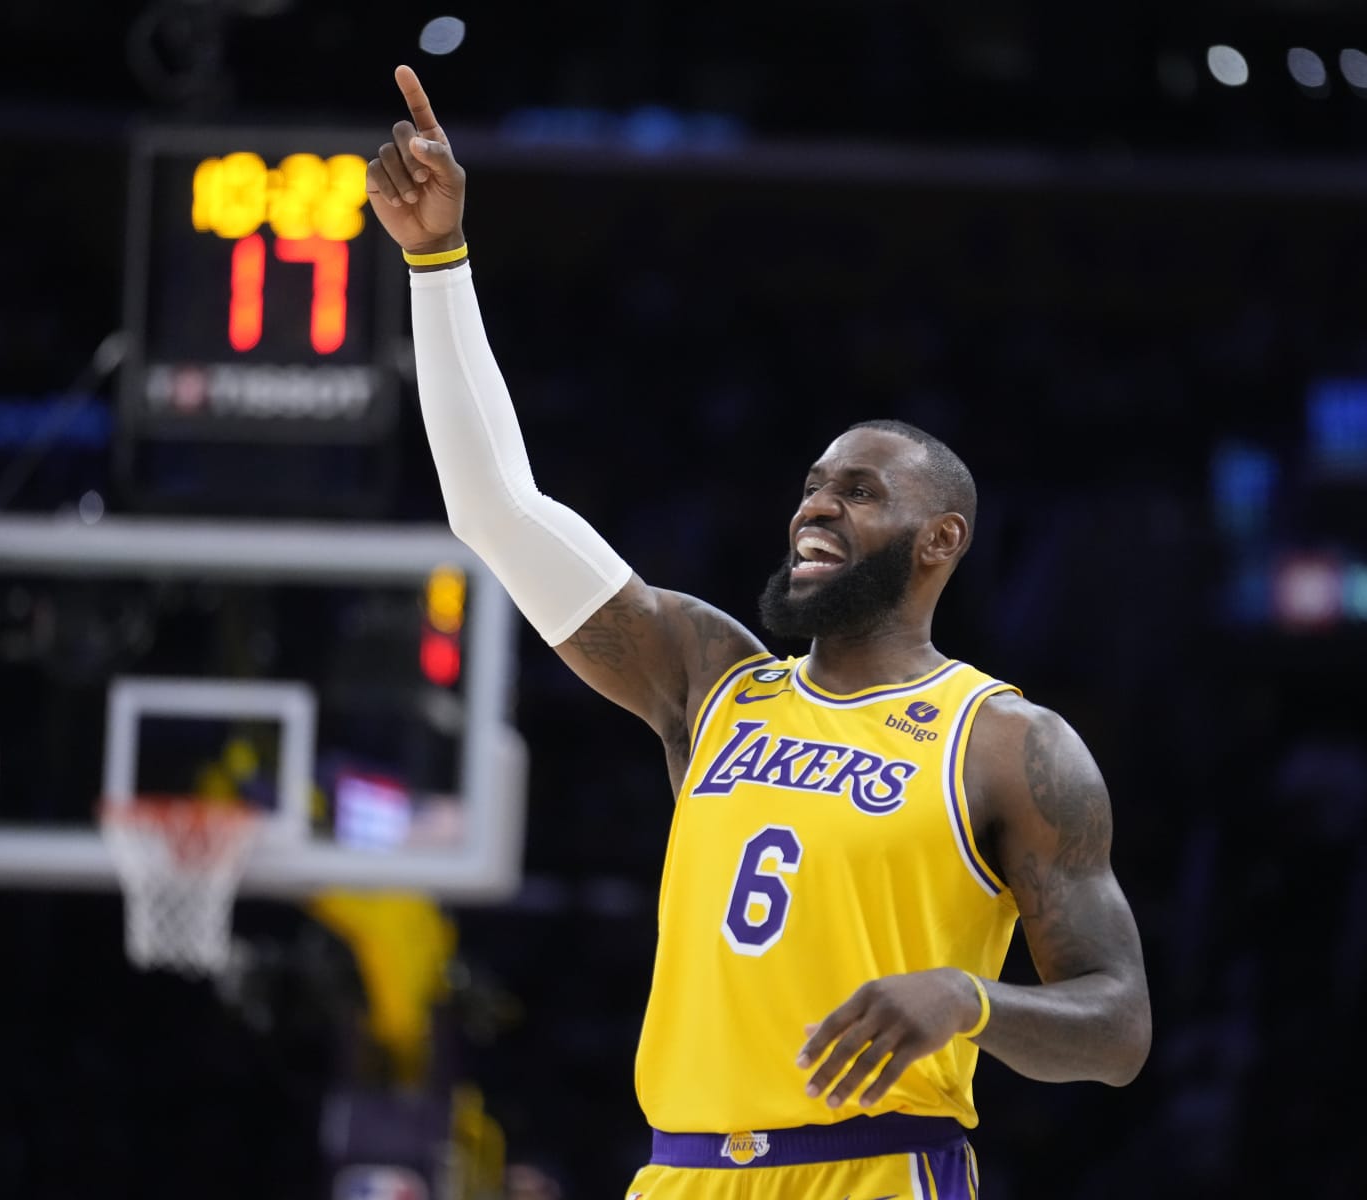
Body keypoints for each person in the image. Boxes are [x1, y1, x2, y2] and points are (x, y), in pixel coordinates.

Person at [367, 65, 1152, 1200]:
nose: (817, 505)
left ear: (940, 542)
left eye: (860, 491)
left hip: (873, 1171)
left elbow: (1117, 1023)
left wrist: (969, 1000)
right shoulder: (709, 680)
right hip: (682, 1175)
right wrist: (436, 262)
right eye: (812, 484)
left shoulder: (1005, 745)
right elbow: (493, 508)